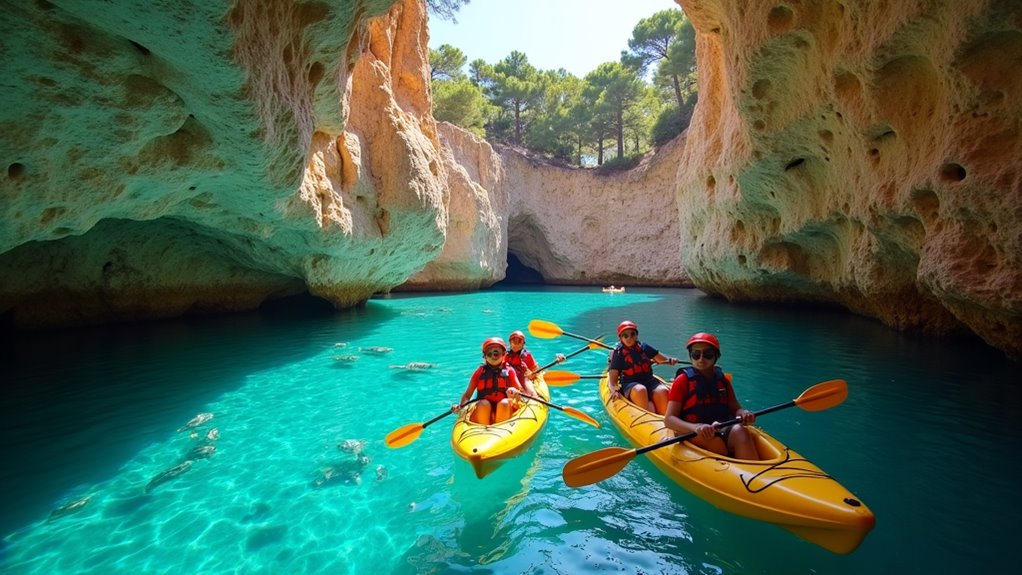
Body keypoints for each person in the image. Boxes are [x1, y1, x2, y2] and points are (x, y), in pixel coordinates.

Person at [664, 333, 760, 460]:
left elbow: (735, 408)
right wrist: (696, 427)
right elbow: (669, 419)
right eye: (696, 354)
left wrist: (743, 412)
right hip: (692, 430)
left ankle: (752, 470)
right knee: (716, 444)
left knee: (741, 433)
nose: (701, 359)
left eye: (708, 354)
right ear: (690, 356)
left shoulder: (723, 380)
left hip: (719, 426)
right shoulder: (682, 381)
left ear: (716, 356)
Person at [608, 320, 679, 414]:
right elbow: (612, 382)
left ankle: (665, 419)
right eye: (625, 335)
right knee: (640, 390)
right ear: (620, 338)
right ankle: (648, 414)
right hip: (630, 384)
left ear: (636, 335)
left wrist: (670, 361)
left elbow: (662, 360)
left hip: (649, 381)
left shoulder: (644, 347)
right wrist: (614, 391)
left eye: (632, 334)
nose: (629, 338)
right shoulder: (618, 354)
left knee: (662, 391)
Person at [453, 337, 529, 424]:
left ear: (504, 354)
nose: (493, 356)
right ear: (485, 356)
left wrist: (515, 392)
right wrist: (462, 406)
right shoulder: (479, 373)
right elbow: (467, 395)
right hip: (484, 411)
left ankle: (502, 429)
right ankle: (482, 429)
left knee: (503, 403)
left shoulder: (509, 371)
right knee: (483, 404)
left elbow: (522, 395)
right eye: (490, 353)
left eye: (497, 353)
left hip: (505, 410)